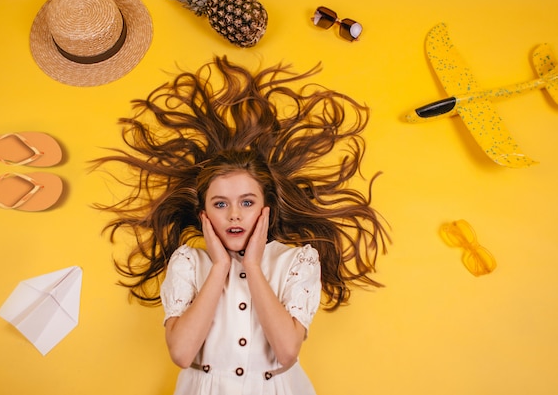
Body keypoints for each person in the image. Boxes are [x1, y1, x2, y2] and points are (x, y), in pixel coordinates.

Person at [93, 56, 389, 394]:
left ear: (266, 209)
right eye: (220, 204)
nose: (234, 214)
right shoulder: (189, 262)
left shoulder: (297, 261)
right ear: (203, 213)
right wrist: (219, 266)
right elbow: (181, 352)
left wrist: (252, 265)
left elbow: (287, 350)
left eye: (247, 203)